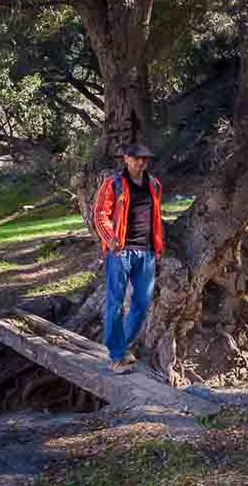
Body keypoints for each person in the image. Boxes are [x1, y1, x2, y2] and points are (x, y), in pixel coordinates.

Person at [91, 142, 164, 374]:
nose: (141, 162)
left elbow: (155, 216)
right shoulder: (113, 183)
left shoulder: (154, 184)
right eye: (136, 158)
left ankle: (121, 345)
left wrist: (157, 247)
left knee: (142, 304)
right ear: (126, 158)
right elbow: (99, 213)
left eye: (144, 158)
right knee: (115, 304)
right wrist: (110, 239)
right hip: (120, 252)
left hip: (147, 251)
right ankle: (116, 356)